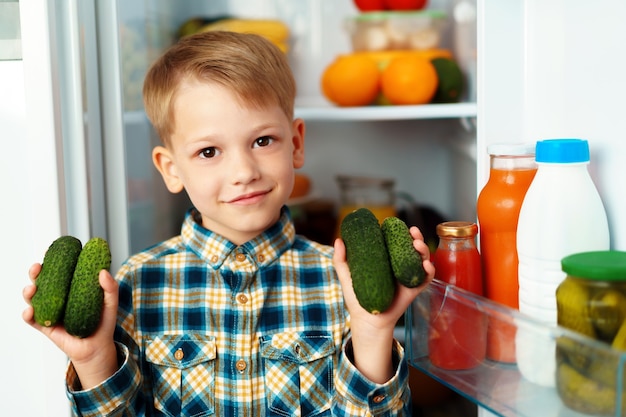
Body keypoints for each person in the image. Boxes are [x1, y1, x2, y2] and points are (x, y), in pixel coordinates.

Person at [22, 30, 434, 416]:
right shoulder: (138, 282)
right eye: (208, 152)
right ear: (171, 169)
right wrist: (93, 360)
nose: (243, 171)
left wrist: (373, 330)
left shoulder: (340, 281)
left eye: (262, 141)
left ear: (295, 143)